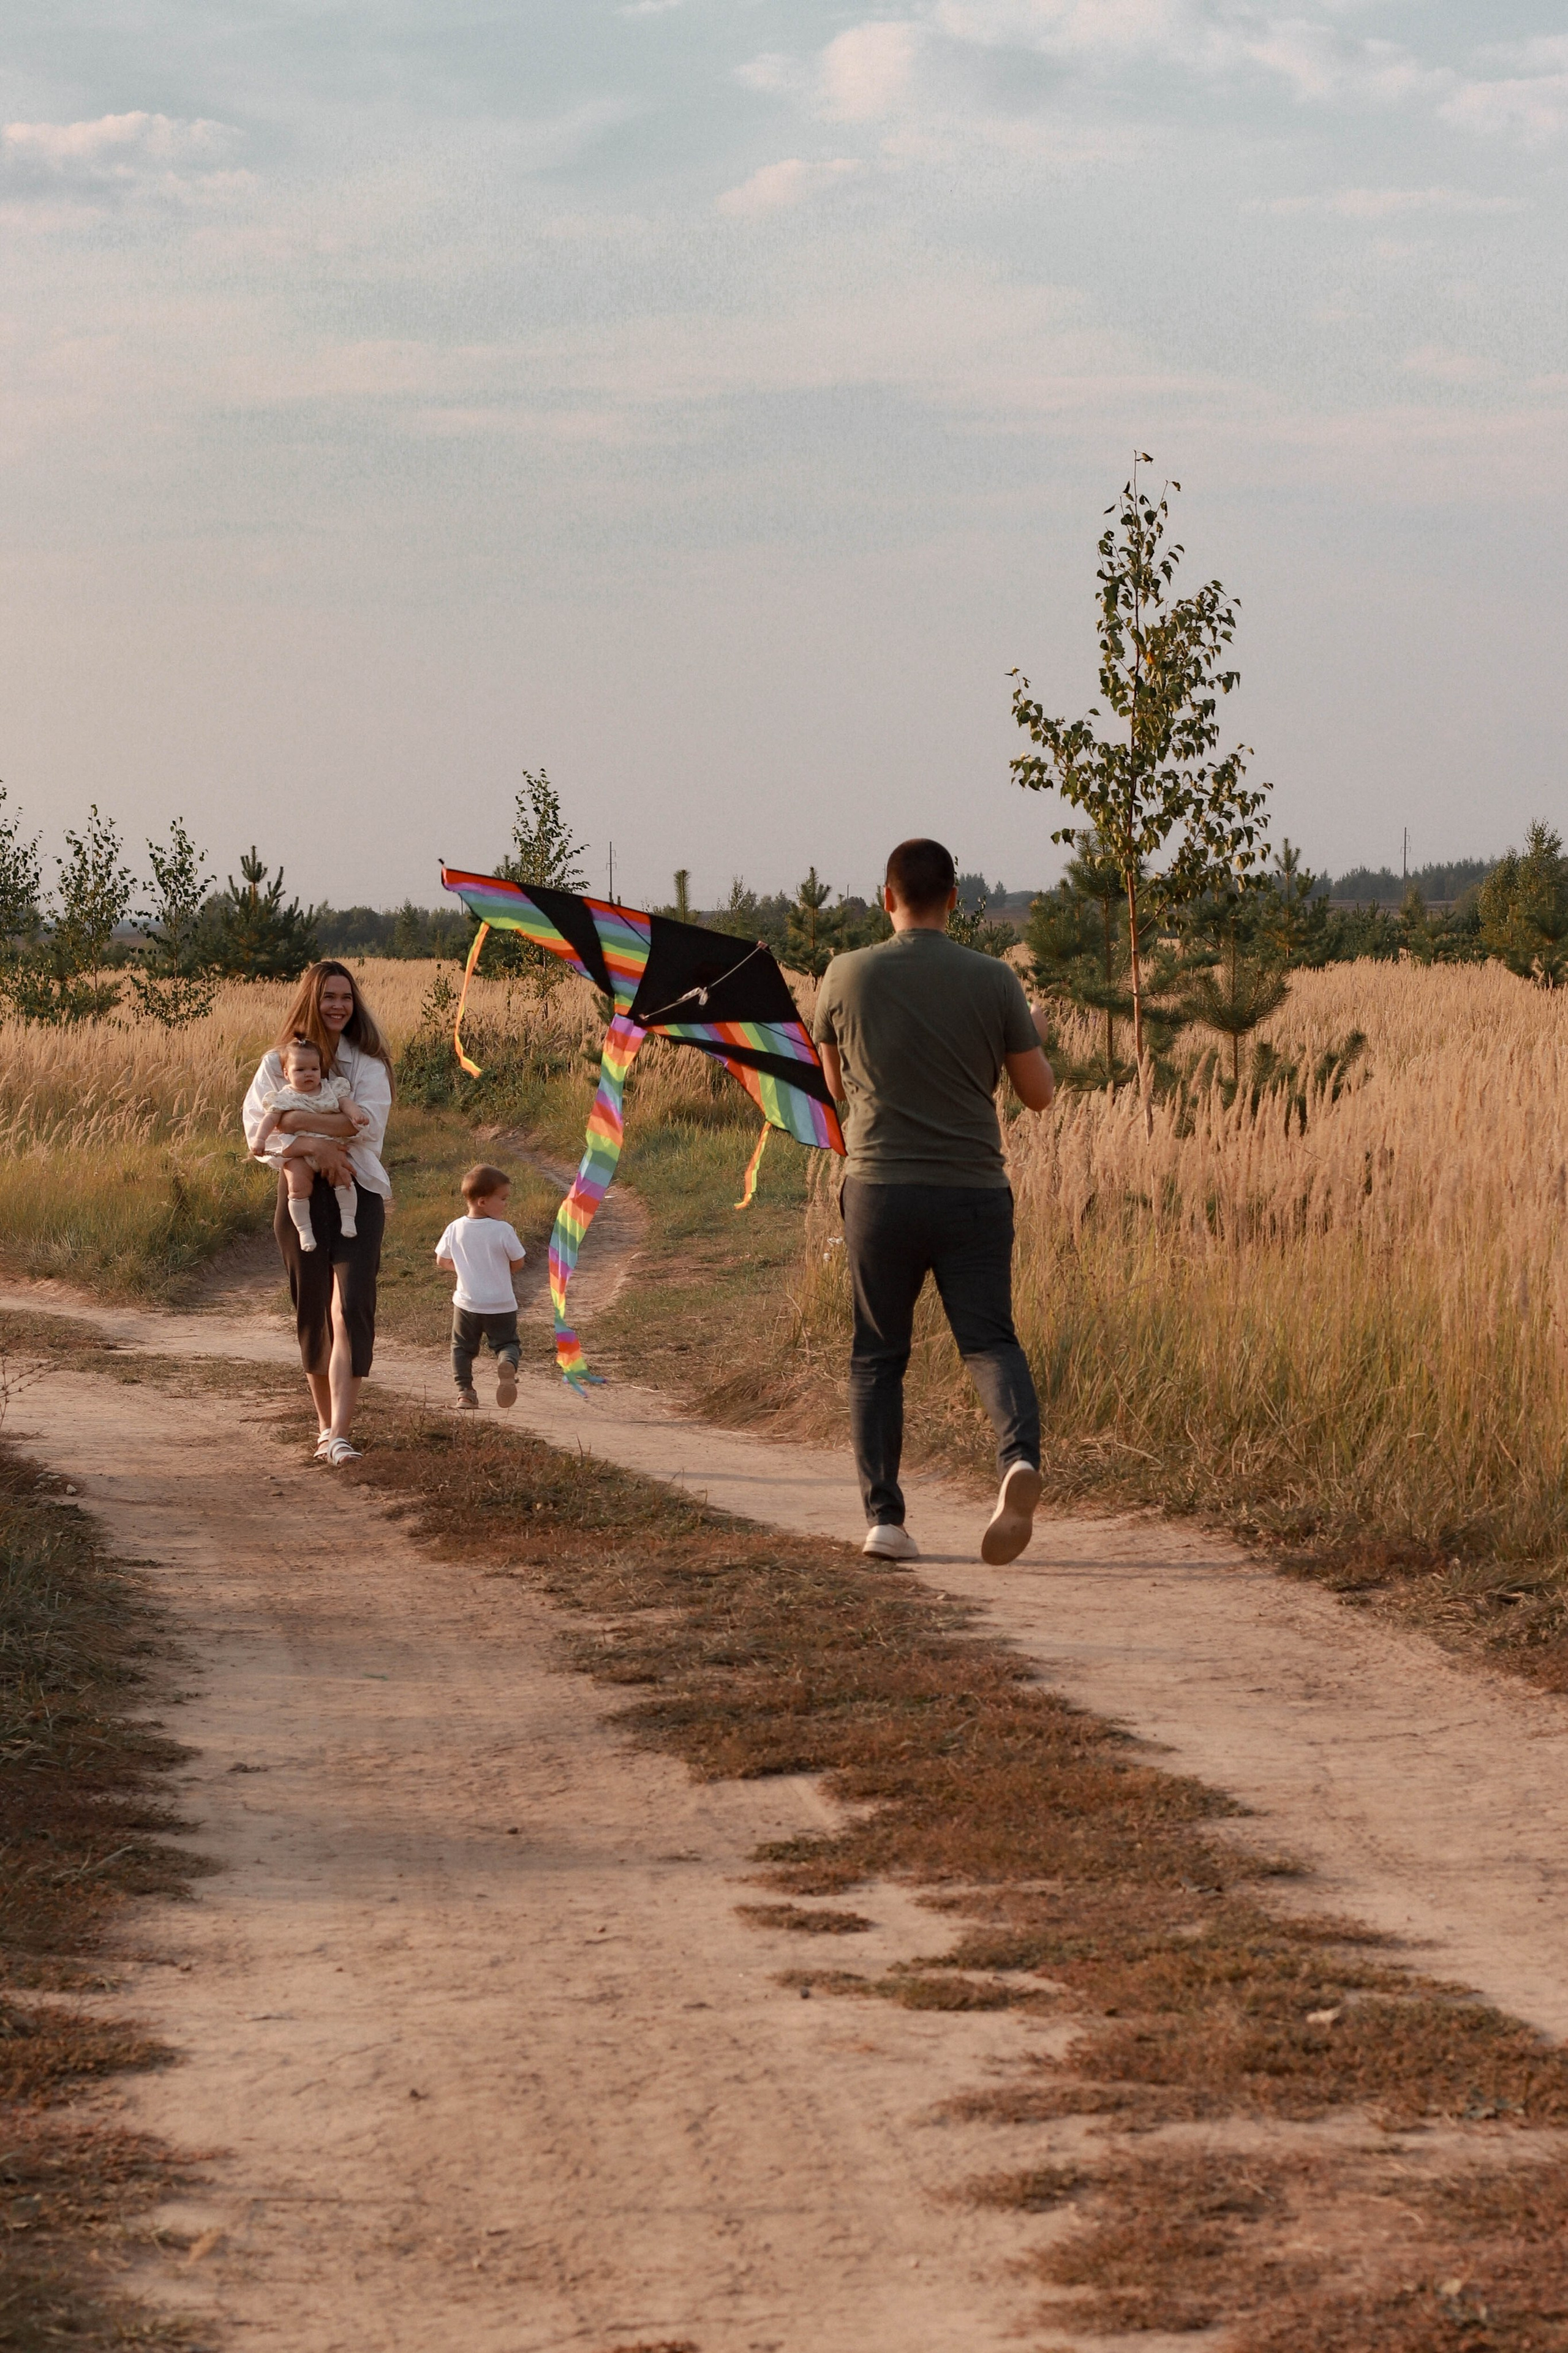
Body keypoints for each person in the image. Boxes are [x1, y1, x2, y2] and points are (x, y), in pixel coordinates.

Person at [812, 838, 1055, 1567]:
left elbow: (833, 1089)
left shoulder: (843, 974)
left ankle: (885, 1518)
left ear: (887, 898)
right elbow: (1038, 1095)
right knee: (989, 1341)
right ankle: (1017, 1459)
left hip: (880, 1190)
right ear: (955, 899)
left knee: (877, 1356)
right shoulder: (994, 980)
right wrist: (1033, 1033)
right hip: (973, 1192)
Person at [242, 962, 394, 1467]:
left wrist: (292, 1120)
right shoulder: (275, 1061)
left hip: (358, 1189)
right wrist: (313, 1142)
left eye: (346, 997)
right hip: (301, 1195)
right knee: (313, 1309)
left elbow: (366, 1130)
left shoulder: (367, 1064)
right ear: (312, 998)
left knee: (350, 1306)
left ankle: (343, 1434)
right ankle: (325, 1427)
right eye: (329, 996)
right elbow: (255, 1133)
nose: (338, 1006)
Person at [252, 1033, 370, 1252]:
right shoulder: (283, 1097)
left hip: (333, 1147)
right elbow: (270, 1120)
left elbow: (346, 1104)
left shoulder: (331, 1089)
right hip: (300, 1153)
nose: (308, 1075)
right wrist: (260, 1139)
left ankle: (348, 1219)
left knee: (344, 1178)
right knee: (297, 1187)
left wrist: (357, 1115)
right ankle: (305, 1231)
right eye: (300, 1070)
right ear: (286, 1074)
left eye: (314, 1069)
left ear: (321, 1070)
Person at [434, 1165, 527, 1411]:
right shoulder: (503, 1230)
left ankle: (465, 1393)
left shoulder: (455, 1228)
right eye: (503, 1199)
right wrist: (502, 1270)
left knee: (462, 1348)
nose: (506, 1204)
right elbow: (518, 1262)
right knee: (507, 1343)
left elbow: (442, 1260)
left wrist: (465, 1269)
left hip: (467, 1303)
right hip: (501, 1304)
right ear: (483, 1201)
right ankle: (507, 1363)